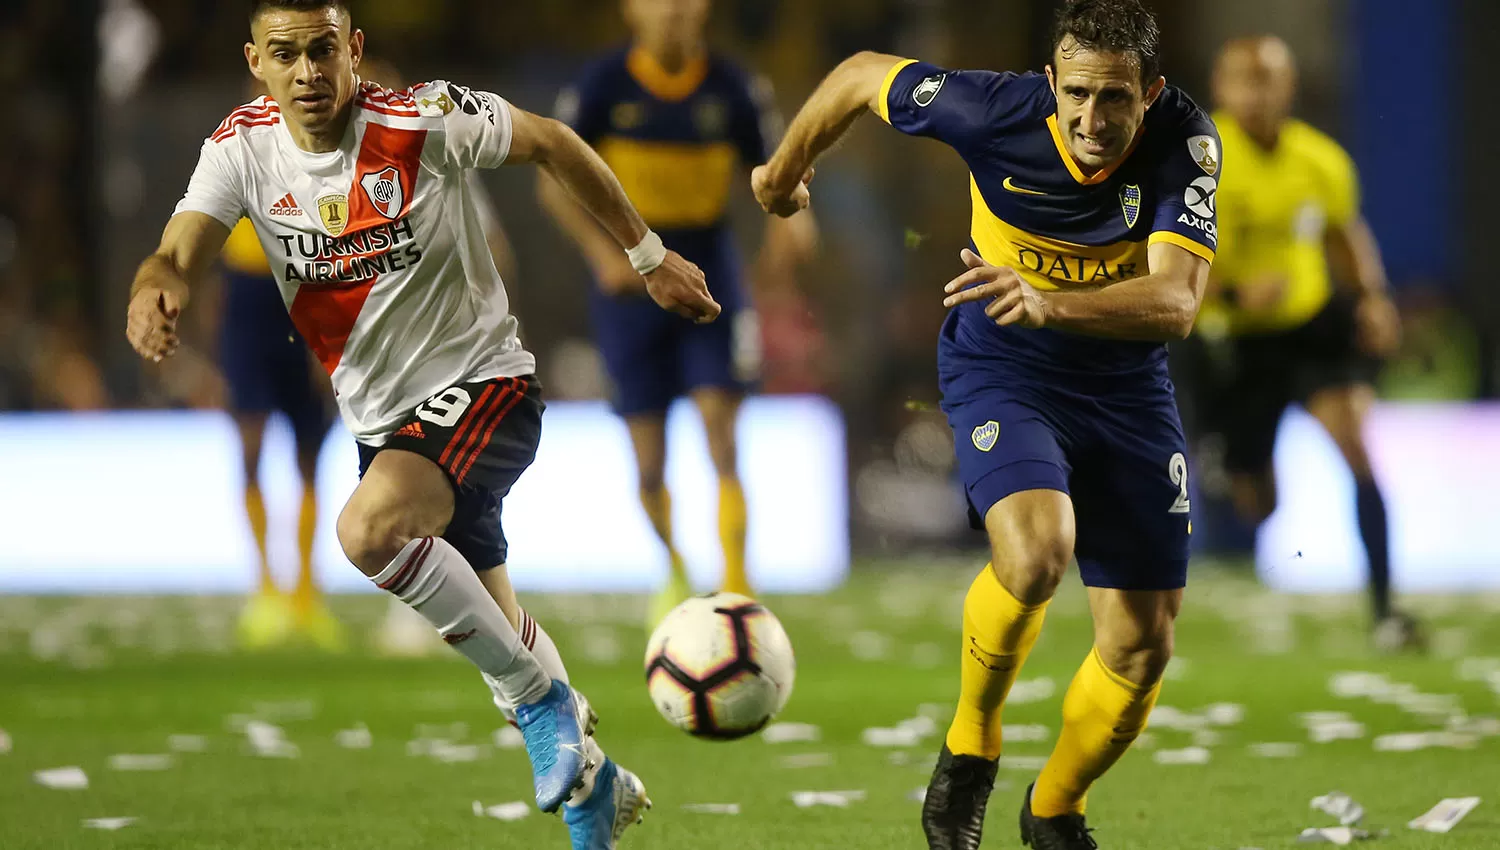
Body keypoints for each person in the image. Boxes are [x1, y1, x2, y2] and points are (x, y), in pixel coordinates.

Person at [124, 2, 718, 846]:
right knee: (495, 630)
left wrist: (648, 255)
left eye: (324, 51)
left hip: (485, 388)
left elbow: (550, 140)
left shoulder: (423, 118)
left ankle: (546, 701)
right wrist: (157, 286)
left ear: (354, 51)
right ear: (255, 61)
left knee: (368, 531)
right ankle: (597, 794)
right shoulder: (239, 150)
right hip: (387, 425)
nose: (307, 73)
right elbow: (178, 249)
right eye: (285, 55)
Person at [753, 1, 1217, 847]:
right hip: (1005, 365)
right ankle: (971, 745)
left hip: (1125, 386)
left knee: (1142, 645)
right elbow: (860, 75)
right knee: (1038, 553)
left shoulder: (1185, 140)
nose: (1091, 119)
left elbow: (1178, 301)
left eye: (1115, 98)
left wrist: (1051, 299)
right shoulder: (991, 107)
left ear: (1150, 93)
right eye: (1075, 93)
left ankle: (1053, 810)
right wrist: (785, 170)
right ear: (1049, 83)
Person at [540, 0, 816, 625]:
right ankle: (675, 571)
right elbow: (552, 181)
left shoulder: (734, 87)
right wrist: (602, 253)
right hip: (630, 279)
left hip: (708, 271)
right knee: (648, 459)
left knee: (723, 435)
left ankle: (740, 587)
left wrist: (794, 223)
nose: (673, 12)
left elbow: (778, 170)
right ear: (630, 10)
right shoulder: (601, 85)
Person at [1194, 35, 1417, 650]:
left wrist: (1373, 296)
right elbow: (1160, 267)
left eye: (1269, 79)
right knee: (1255, 500)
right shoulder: (1198, 160)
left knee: (1358, 447)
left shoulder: (1319, 160)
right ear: (1222, 88)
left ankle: (1386, 610)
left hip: (1312, 329)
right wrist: (1236, 294)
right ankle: (1250, 509)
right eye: (1245, 79)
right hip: (1237, 342)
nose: (1258, 92)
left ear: (1289, 87)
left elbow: (1345, 233)